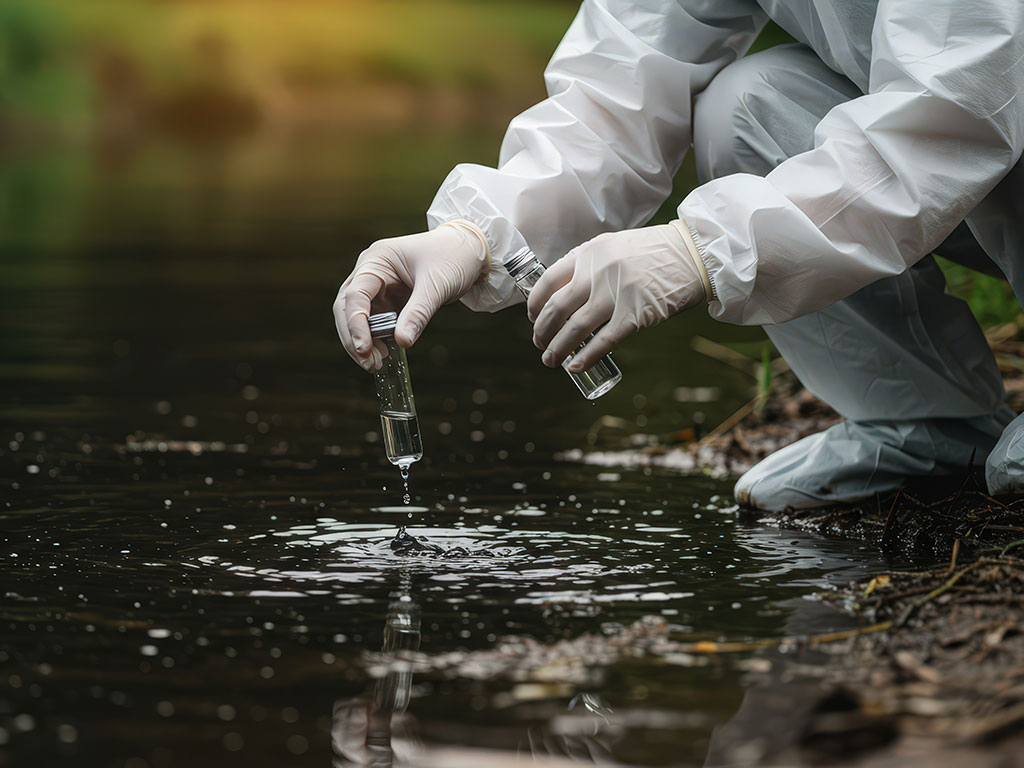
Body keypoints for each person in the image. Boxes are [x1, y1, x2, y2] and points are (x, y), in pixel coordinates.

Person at [334, 0, 1024, 511]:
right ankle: (929, 426)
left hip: (982, 124)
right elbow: (622, 83)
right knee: (745, 106)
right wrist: (475, 233)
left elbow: (956, 114)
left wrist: (704, 246)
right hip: (967, 150)